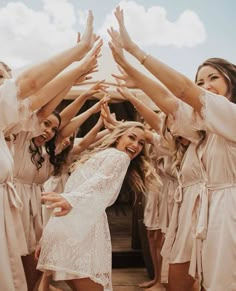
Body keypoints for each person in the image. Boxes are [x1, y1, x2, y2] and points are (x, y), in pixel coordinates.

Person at [109, 6, 236, 291]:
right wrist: (133, 75)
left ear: (231, 82)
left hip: (226, 212)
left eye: (213, 77)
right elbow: (169, 103)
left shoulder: (232, 116)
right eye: (200, 81)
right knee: (176, 280)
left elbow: (181, 90)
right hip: (195, 210)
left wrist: (135, 50)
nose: (205, 85)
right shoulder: (201, 130)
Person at [35, 121, 160, 291]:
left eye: (141, 143)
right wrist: (71, 199)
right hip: (81, 229)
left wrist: (49, 236)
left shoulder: (107, 155)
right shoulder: (118, 156)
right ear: (118, 137)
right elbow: (98, 181)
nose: (136, 145)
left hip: (70, 224)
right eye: (131, 137)